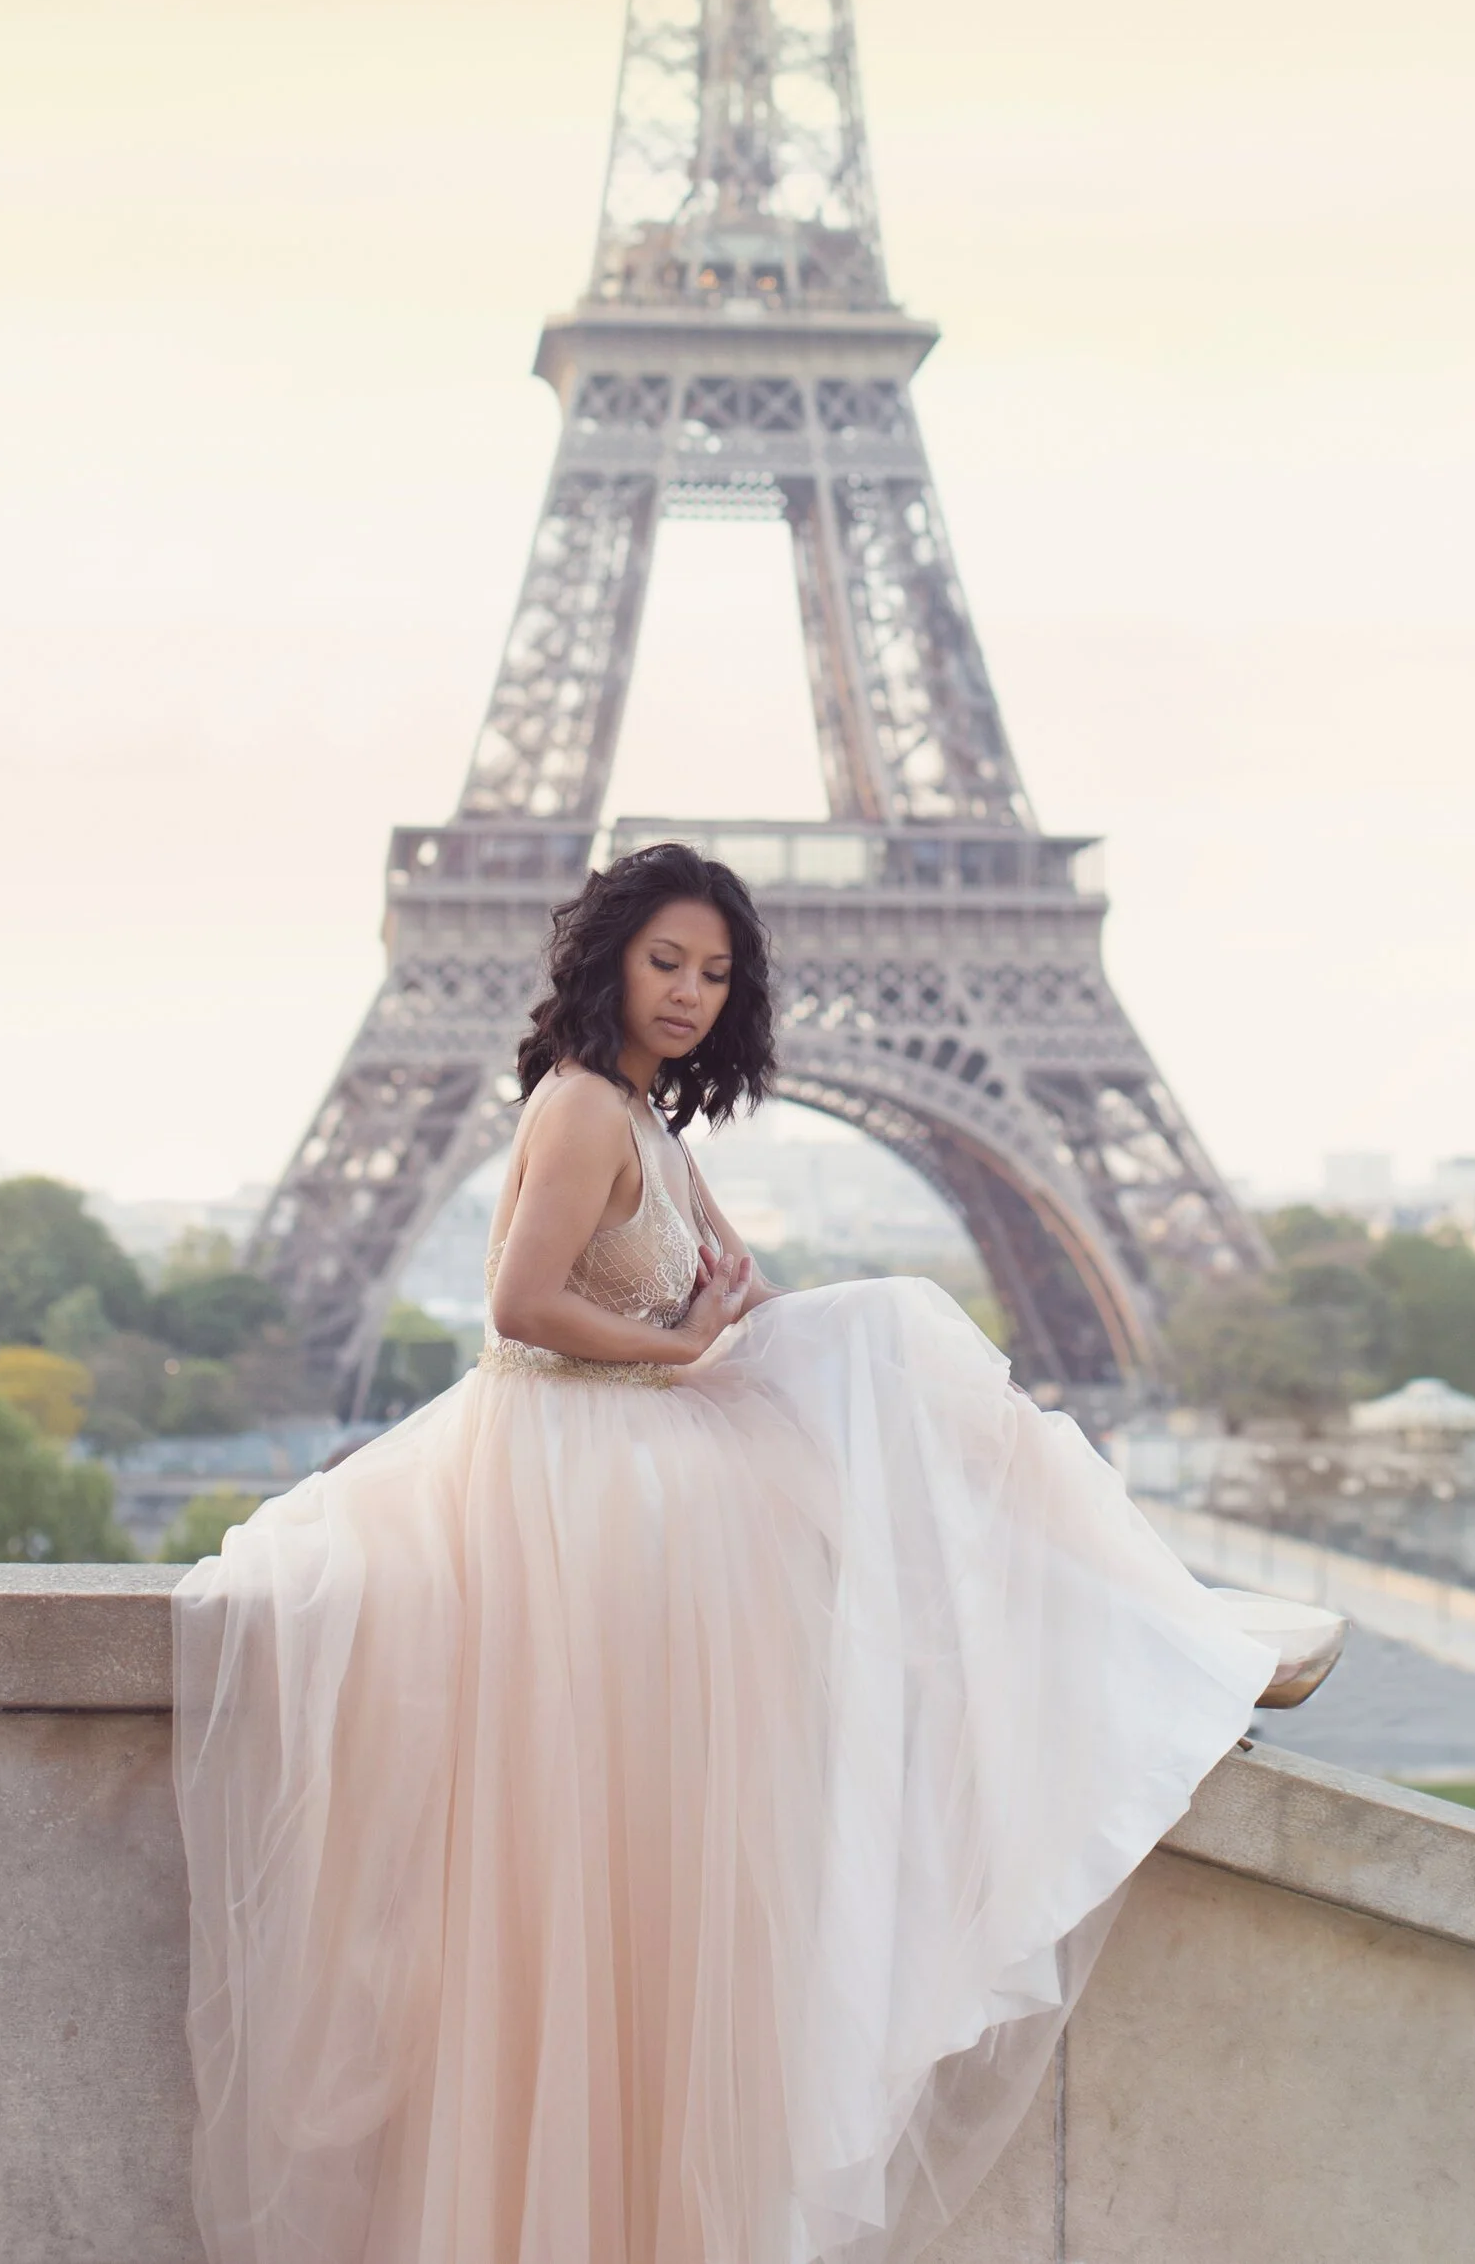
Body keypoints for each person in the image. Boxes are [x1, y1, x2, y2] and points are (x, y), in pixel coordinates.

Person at [173, 842, 1273, 2264]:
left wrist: (713, 1318)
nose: (690, 992)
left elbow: (735, 1284)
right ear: (606, 961)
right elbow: (517, 1305)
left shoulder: (644, 1120)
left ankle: (1135, 1622)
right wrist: (679, 1345)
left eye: (714, 971)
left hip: (631, 1470)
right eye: (665, 962)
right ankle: (1142, 1627)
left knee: (890, 1350)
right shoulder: (578, 1107)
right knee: (897, 1388)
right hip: (581, 1481)